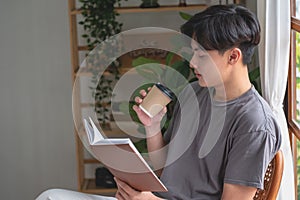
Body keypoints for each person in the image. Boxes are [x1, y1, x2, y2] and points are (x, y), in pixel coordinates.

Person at [36, 4, 281, 200]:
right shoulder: (194, 92)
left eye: (202, 55)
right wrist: (153, 126)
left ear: (233, 57)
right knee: (50, 197)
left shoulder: (254, 124)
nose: (193, 63)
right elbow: (165, 170)